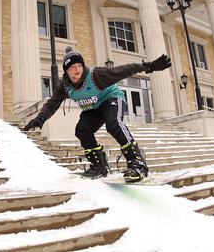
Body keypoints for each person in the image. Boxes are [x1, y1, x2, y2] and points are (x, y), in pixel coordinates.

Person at [23, 48, 172, 183]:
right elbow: (52, 103)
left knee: (113, 124)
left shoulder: (96, 75)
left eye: (79, 66)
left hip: (111, 98)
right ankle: (99, 166)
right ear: (66, 71)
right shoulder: (64, 86)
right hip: (93, 109)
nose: (77, 70)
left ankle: (137, 162)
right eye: (73, 68)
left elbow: (124, 70)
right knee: (81, 130)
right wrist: (39, 119)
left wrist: (149, 66)